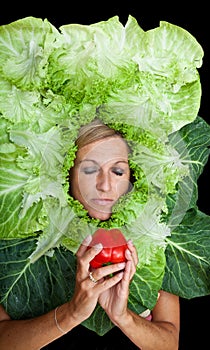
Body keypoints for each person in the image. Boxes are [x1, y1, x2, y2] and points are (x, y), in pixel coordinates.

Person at [0, 118, 180, 350]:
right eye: (89, 169)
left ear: (131, 178)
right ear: (66, 175)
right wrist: (71, 313)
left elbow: (169, 343)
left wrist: (123, 317)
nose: (105, 185)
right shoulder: (24, 236)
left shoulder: (154, 234)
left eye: (117, 171)